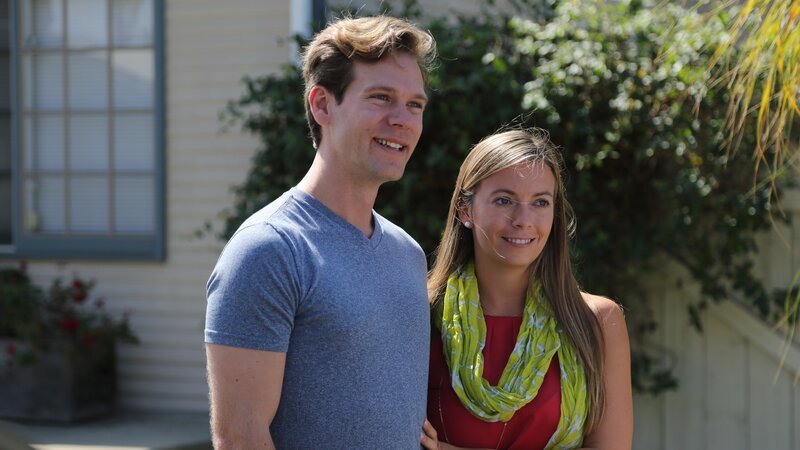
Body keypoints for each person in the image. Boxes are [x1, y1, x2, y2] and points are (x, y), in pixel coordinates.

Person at [204, 16, 437, 449]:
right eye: (381, 97)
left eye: (414, 104)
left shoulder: (408, 253)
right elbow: (239, 438)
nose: (402, 120)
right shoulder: (270, 250)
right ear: (322, 105)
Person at [420, 129, 633, 450]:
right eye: (504, 200)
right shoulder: (422, 314)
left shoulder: (598, 322)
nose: (523, 220)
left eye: (540, 202)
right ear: (465, 210)